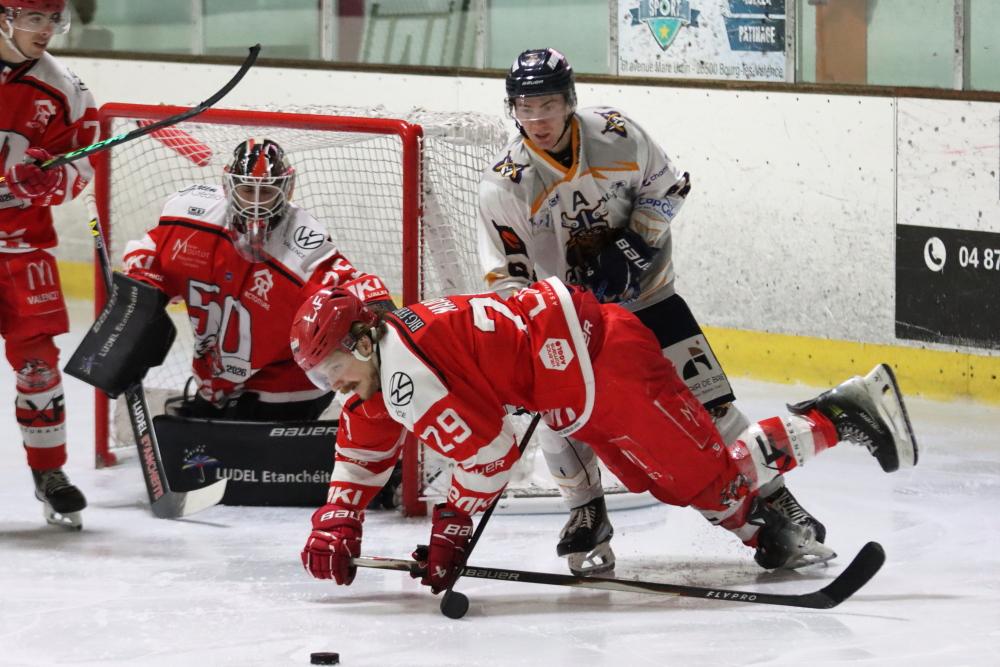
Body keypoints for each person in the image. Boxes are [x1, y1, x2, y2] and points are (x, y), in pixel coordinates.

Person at [290, 278, 917, 592]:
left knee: (706, 476)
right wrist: (337, 517)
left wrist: (452, 528)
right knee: (663, 481)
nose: (331, 384)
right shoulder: (387, 351)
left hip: (604, 368)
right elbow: (364, 439)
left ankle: (843, 412)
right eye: (320, 375)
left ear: (360, 342)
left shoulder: (403, 375)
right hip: (577, 379)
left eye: (331, 367)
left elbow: (490, 457)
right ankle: (766, 530)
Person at [475, 47, 757, 575]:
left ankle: (773, 500)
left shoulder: (617, 133)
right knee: (558, 410)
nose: (538, 120)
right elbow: (507, 278)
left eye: (548, 105)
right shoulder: (505, 184)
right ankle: (585, 510)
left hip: (650, 295)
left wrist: (632, 248)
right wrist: (536, 323)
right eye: (525, 107)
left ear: (570, 100)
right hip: (570, 321)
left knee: (711, 405)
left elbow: (667, 188)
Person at [121, 137, 395, 424]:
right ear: (228, 186)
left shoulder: (303, 244)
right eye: (247, 190)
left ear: (286, 190)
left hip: (286, 385)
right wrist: (140, 297)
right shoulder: (191, 216)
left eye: (265, 192)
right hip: (217, 377)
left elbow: (353, 287)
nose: (254, 203)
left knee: (239, 448)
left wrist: (388, 319)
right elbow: (150, 251)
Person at [0, 0, 96, 529]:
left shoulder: (66, 91)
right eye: (34, 18)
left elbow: (81, 169)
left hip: (22, 250)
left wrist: (49, 180)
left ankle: (48, 472)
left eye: (53, 20)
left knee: (37, 365)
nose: (47, 31)